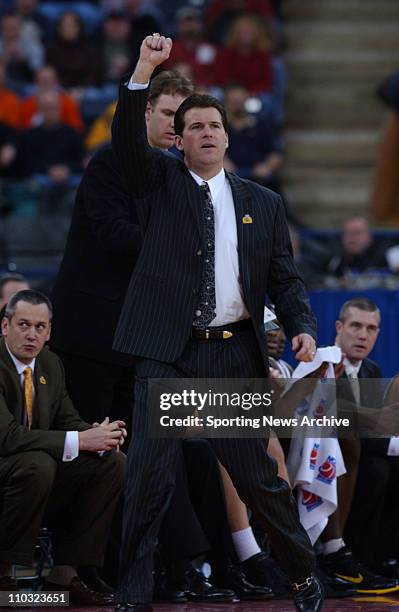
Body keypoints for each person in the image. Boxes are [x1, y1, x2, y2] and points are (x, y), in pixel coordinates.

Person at [111, 34, 322, 612]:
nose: (205, 133)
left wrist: (301, 323)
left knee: (259, 477)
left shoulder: (265, 203)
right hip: (167, 354)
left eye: (214, 125)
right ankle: (132, 593)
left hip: (230, 356)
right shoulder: (156, 184)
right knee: (149, 479)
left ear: (227, 137)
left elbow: (285, 278)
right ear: (179, 140)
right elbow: (128, 143)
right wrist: (144, 72)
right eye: (194, 125)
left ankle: (303, 571)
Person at [0, 290, 126, 604]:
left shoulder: (50, 364)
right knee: (39, 463)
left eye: (40, 327)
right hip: (12, 467)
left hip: (33, 472)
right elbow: (8, 438)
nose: (31, 335)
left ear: (50, 331)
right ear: (5, 326)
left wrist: (100, 435)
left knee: (112, 462)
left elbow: (67, 419)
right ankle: (3, 573)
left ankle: (65, 575)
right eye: (23, 325)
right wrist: (80, 440)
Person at [320, 297, 399, 594]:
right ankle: (339, 553)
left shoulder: (372, 371)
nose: (363, 335)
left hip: (357, 457)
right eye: (356, 326)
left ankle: (382, 558)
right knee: (378, 467)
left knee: (385, 467)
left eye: (371, 328)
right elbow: (340, 420)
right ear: (339, 327)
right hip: (320, 462)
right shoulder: (322, 365)